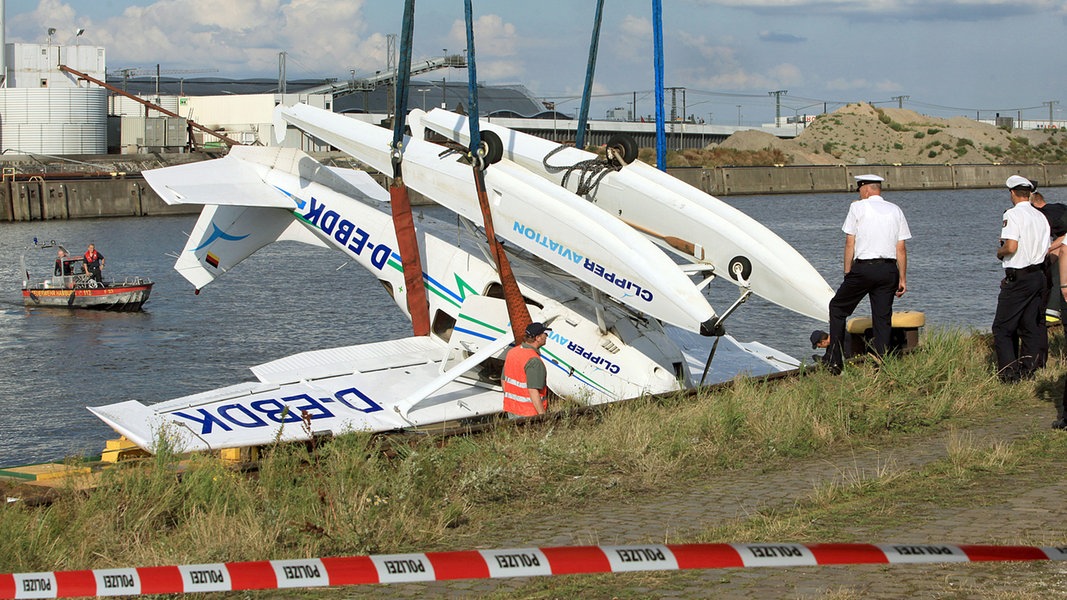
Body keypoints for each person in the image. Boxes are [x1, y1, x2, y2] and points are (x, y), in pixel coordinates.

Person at [824, 174, 911, 374]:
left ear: (865, 189)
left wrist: (848, 271)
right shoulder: (895, 210)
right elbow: (901, 248)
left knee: (837, 308)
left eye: (860, 190)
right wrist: (903, 278)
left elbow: (849, 242)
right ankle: (881, 363)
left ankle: (835, 363)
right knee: (882, 318)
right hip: (889, 270)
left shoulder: (857, 207)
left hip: (864, 268)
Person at [992, 175, 1049, 383]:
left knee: (1002, 328)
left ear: (1012, 193)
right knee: (1030, 326)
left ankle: (1009, 374)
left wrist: (1000, 251)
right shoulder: (1040, 216)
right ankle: (1029, 369)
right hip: (1038, 275)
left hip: (1019, 277)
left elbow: (1012, 247)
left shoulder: (1013, 215)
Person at [502, 322, 550, 417]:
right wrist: (542, 415)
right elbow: (533, 390)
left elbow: (504, 380)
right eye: (545, 334)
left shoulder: (512, 352)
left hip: (512, 410)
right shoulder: (534, 360)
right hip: (529, 413)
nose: (547, 336)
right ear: (537, 338)